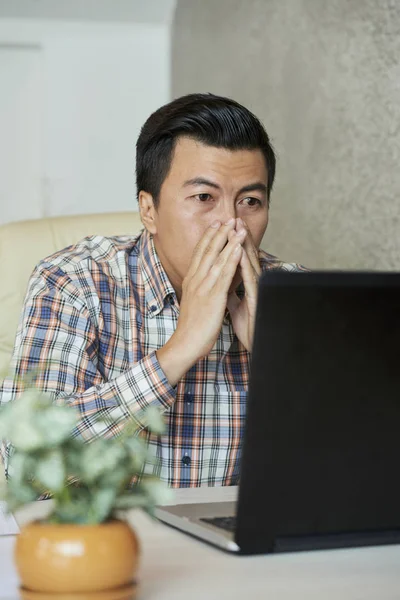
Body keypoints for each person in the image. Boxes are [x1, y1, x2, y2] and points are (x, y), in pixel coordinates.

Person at [0, 93, 306, 487]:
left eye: (250, 201)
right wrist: (181, 347)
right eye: (203, 198)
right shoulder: (75, 280)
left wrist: (276, 356)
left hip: (239, 542)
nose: (232, 225)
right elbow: (26, 464)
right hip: (111, 540)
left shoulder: (295, 291)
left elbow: (356, 463)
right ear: (149, 210)